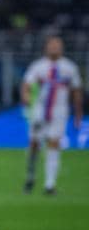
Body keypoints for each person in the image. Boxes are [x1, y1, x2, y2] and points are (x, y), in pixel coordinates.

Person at [20, 35, 82, 195]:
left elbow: (76, 92)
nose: (54, 47)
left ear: (62, 47)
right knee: (34, 144)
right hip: (39, 110)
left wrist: (78, 115)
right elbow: (26, 85)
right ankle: (31, 175)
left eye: (57, 45)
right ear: (46, 47)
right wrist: (26, 97)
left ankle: (49, 184)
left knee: (54, 143)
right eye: (52, 45)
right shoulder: (38, 66)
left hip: (59, 111)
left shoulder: (70, 67)